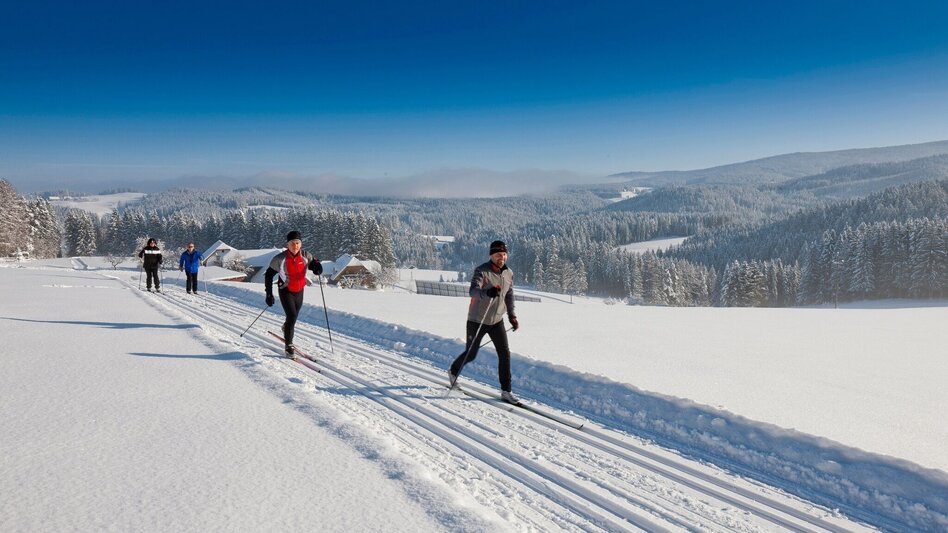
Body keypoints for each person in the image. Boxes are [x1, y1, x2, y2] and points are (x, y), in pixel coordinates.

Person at [449, 240, 520, 403]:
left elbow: (509, 295)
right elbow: (473, 291)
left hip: (497, 321)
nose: (501, 258)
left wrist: (512, 316)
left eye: (503, 254)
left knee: (504, 354)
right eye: (497, 255)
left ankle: (506, 391)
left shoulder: (508, 273)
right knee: (472, 353)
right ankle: (453, 371)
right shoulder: (482, 271)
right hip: (477, 320)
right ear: (491, 256)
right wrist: (487, 293)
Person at [263, 230, 323, 356]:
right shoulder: (280, 259)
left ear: (300, 244)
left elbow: (313, 264)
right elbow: (268, 275)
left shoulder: (306, 255)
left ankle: (286, 328)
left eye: (297, 243)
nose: (295, 246)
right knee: (292, 315)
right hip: (286, 290)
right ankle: (288, 346)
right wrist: (269, 293)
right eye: (292, 243)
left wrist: (318, 267)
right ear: (287, 245)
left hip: (300, 290)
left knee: (293, 317)